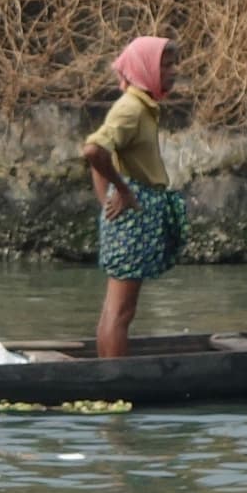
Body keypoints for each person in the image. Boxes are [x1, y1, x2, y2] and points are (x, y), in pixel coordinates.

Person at [82, 35, 188, 357]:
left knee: (116, 310)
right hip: (132, 217)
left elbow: (101, 153)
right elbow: (94, 151)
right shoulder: (131, 109)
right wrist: (123, 191)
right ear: (145, 69)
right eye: (165, 65)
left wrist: (108, 200)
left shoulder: (141, 106)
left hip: (131, 215)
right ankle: (115, 377)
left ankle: (109, 371)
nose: (173, 71)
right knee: (120, 311)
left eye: (173, 64)